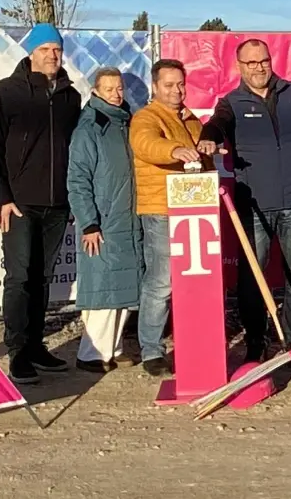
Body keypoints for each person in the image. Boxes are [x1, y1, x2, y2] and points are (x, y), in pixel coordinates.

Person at [197, 39, 291, 361]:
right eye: (251, 63)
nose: (259, 68)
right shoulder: (231, 103)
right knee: (252, 278)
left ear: (270, 60)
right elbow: (216, 126)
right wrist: (208, 139)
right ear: (240, 66)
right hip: (253, 207)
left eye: (263, 61)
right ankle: (255, 343)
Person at [0, 23, 83, 384]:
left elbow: (76, 150)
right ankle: (18, 351)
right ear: (31, 53)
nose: (52, 55)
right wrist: (2, 197)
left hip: (57, 203)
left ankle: (36, 345)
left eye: (57, 49)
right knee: (19, 278)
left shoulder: (71, 96)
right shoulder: (5, 93)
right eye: (45, 49)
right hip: (19, 204)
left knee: (42, 279)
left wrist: (74, 199)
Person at [128, 58, 208, 376]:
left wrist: (208, 150)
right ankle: (151, 349)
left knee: (192, 281)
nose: (176, 90)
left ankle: (194, 342)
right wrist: (175, 150)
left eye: (180, 84)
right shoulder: (146, 117)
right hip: (161, 210)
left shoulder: (192, 120)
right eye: (169, 85)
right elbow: (146, 144)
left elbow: (199, 159)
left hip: (195, 212)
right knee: (161, 282)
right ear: (155, 87)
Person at [65, 67, 143, 373]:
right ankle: (91, 352)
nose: (116, 94)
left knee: (124, 287)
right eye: (109, 89)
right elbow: (78, 179)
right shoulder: (90, 128)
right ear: (96, 92)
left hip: (128, 216)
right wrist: (89, 222)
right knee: (103, 290)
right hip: (104, 220)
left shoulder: (126, 123)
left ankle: (114, 347)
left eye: (119, 88)